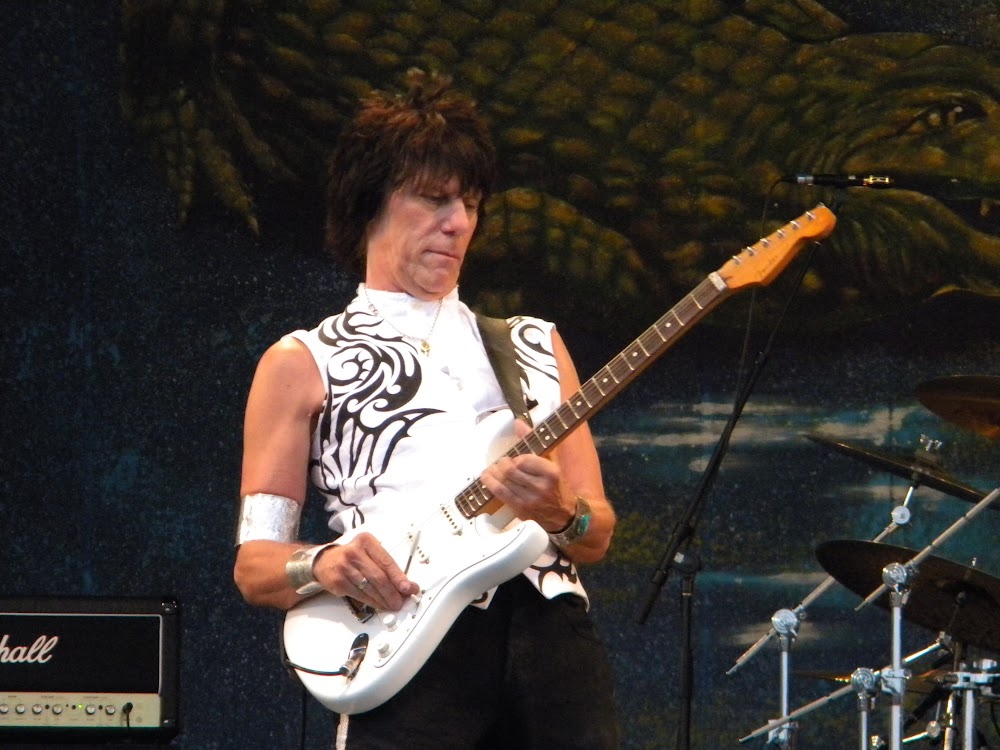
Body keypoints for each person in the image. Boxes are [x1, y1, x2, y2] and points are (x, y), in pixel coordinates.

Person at [233, 69, 620, 749]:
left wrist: (561, 510)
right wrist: (322, 565)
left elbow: (596, 533)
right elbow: (255, 565)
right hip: (406, 651)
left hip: (553, 647)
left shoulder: (534, 344)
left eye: (470, 204)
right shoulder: (302, 361)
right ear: (369, 205)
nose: (459, 222)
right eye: (435, 199)